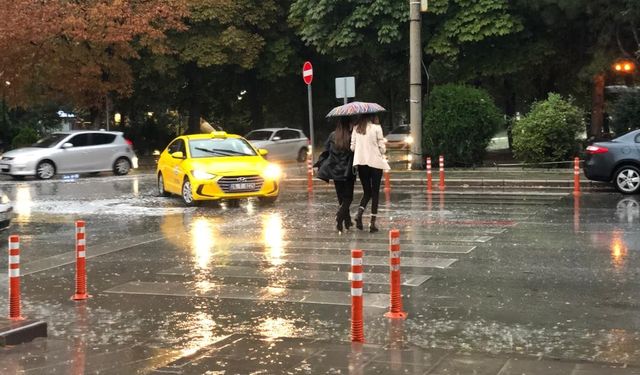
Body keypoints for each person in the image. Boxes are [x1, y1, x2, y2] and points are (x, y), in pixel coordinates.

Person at [350, 114, 389, 233]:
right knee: (375, 192)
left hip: (361, 164)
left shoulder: (356, 129)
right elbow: (382, 149)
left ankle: (359, 214)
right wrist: (378, 148)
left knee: (367, 191)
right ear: (372, 116)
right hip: (375, 163)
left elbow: (352, 148)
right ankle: (372, 223)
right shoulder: (377, 128)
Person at [316, 117, 356, 232]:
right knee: (348, 197)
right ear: (348, 124)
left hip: (334, 170)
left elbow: (326, 150)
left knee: (341, 197)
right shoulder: (351, 135)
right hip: (347, 171)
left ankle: (347, 221)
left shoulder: (333, 135)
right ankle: (339, 217)